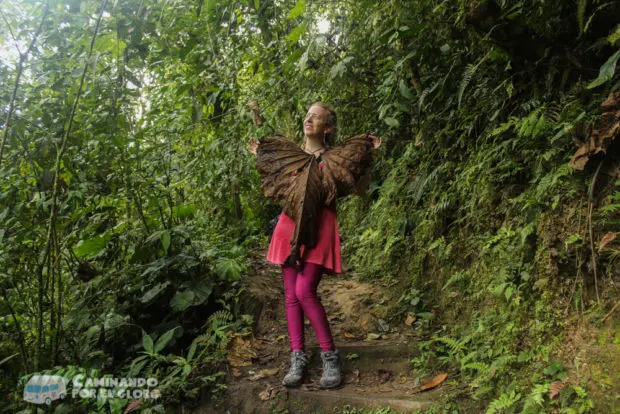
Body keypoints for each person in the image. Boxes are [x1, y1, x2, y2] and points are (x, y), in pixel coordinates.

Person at [247, 102, 382, 389]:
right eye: (308, 115)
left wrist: (369, 154)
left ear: (327, 127)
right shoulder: (290, 156)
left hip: (321, 227)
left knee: (304, 290)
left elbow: (355, 181)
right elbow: (274, 182)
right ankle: (298, 357)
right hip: (288, 225)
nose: (309, 119)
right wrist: (262, 154)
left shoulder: (337, 157)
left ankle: (329, 356)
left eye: (316, 117)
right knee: (291, 296)